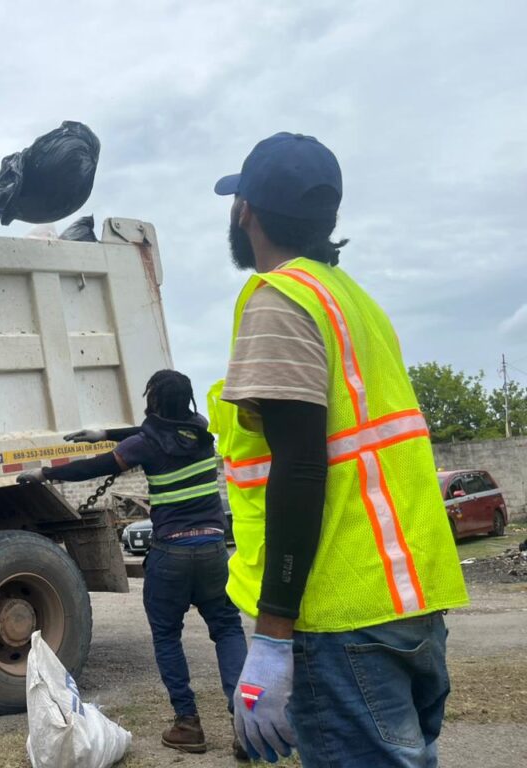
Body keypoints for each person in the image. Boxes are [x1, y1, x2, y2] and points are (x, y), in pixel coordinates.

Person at [209, 132, 469, 766]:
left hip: (340, 615)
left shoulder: (281, 299)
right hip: (409, 603)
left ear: (245, 212)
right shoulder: (355, 303)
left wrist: (273, 634)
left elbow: (300, 466)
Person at [18, 370, 249, 760]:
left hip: (171, 554)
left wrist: (46, 473)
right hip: (213, 550)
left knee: (167, 635)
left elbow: (95, 466)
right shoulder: (202, 431)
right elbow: (159, 428)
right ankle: (245, 725)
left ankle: (188, 724)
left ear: (153, 401)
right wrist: (106, 433)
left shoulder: (147, 445)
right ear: (187, 401)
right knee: (227, 629)